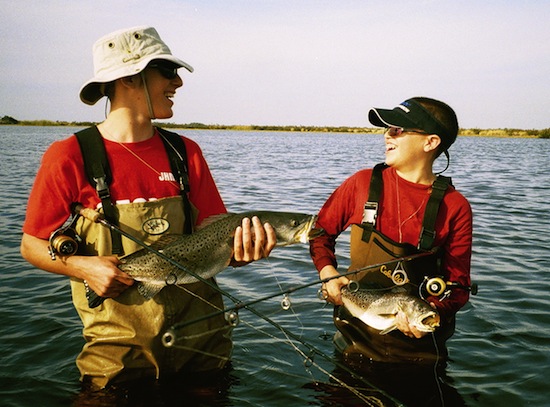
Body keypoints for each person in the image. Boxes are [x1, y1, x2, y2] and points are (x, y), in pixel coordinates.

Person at [20, 26, 276, 391]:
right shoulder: (68, 156)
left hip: (204, 352)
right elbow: (31, 245)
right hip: (118, 364)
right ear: (129, 77)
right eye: (168, 72)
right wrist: (82, 266)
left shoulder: (186, 153)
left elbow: (218, 244)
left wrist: (246, 251)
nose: (179, 84)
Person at [310, 97, 473, 368]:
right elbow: (319, 233)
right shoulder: (360, 184)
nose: (388, 134)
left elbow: (459, 287)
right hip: (353, 344)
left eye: (398, 129)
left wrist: (432, 313)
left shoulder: (455, 206)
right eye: (387, 129)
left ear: (430, 142)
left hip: (420, 355)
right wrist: (327, 273)